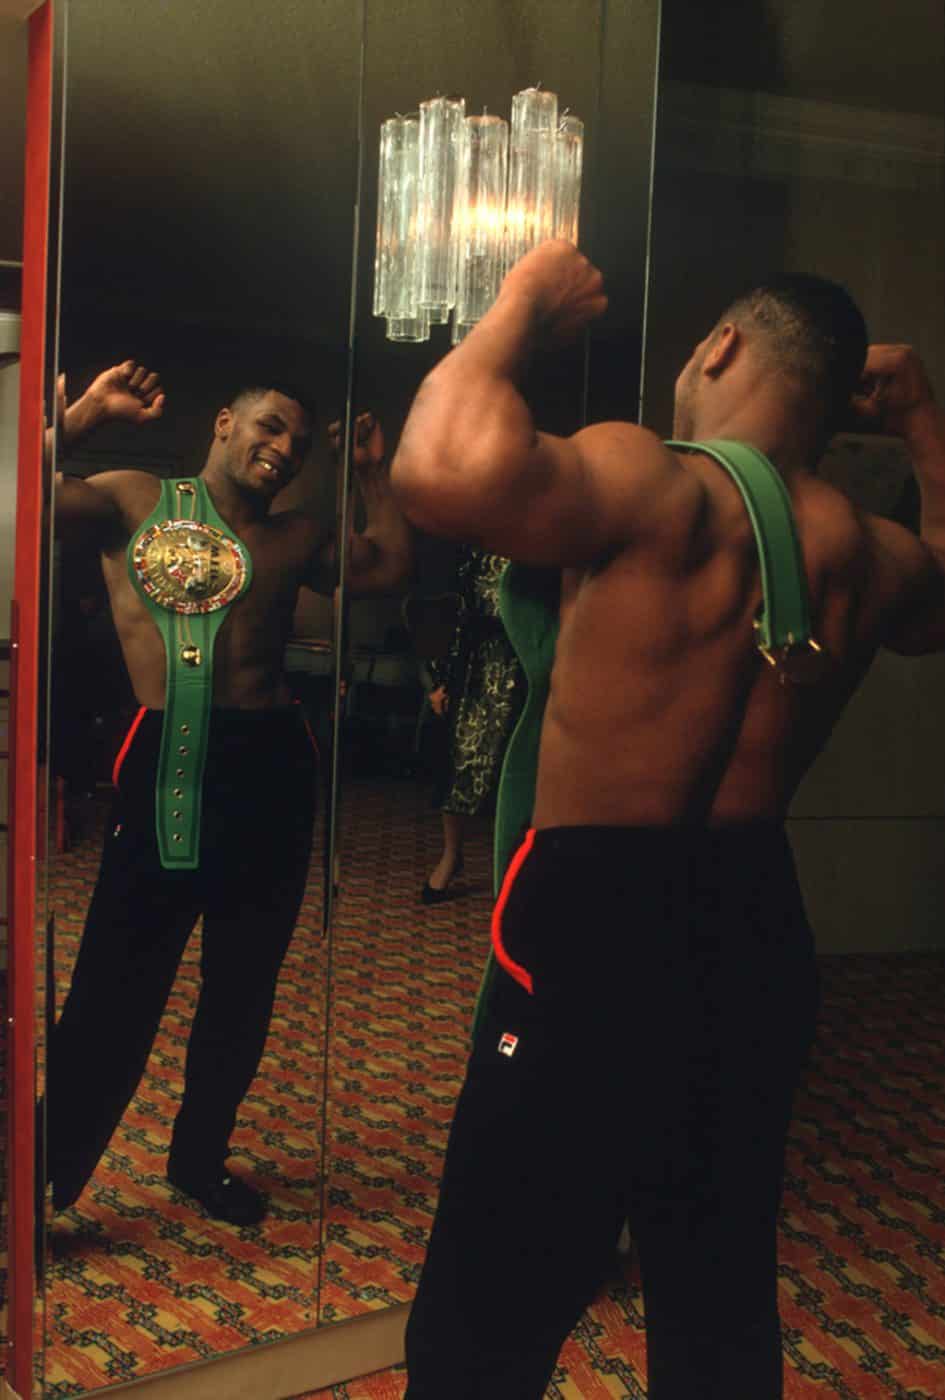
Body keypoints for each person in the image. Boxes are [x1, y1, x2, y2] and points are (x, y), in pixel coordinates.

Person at [390, 240, 945, 1398]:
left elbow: (438, 467)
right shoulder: (861, 548)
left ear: (720, 347)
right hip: (753, 914)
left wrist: (523, 302)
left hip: (593, 913)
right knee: (716, 1280)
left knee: (491, 1296)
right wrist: (925, 426)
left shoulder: (660, 480)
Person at [42, 362, 411, 1225]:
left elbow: (389, 566)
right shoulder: (133, 498)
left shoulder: (299, 536)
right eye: (266, 427)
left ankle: (197, 1158)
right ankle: (39, 1190)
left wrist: (369, 475)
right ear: (222, 423)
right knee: (114, 991)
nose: (280, 450)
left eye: (294, 440)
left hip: (272, 763)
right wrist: (84, 417)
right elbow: (18, 497)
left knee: (243, 985)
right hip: (169, 753)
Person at [422, 547, 524, 903]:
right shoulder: (472, 549)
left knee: (521, 768)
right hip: (476, 665)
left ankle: (514, 869)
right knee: (461, 760)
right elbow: (456, 615)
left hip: (527, 661)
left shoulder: (543, 538)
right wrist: (441, 679)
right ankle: (452, 856)